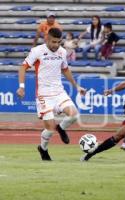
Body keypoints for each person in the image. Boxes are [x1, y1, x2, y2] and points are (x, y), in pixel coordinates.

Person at [17, 28, 86, 161]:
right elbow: (23, 67)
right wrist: (21, 87)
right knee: (49, 128)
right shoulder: (37, 51)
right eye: (53, 42)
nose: (56, 45)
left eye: (59, 42)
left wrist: (77, 86)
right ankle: (43, 149)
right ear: (47, 38)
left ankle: (61, 128)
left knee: (74, 114)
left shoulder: (62, 52)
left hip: (59, 92)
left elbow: (65, 70)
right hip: (43, 95)